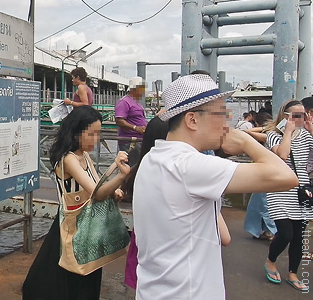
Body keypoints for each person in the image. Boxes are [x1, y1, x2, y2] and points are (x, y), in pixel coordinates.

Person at [133, 74, 298, 300]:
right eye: (221, 113)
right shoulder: (190, 165)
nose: (227, 123)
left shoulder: (154, 158)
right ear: (192, 120)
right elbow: (286, 176)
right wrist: (244, 141)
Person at [23, 106, 130, 300]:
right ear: (76, 133)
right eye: (91, 134)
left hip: (86, 225)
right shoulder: (68, 159)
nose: (96, 139)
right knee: (70, 278)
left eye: (98, 133)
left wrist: (113, 188)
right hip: (73, 225)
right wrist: (121, 176)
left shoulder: (84, 156)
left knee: (84, 272)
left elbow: (98, 186)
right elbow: (97, 194)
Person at [123, 117, 231, 289]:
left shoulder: (142, 170)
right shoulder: (186, 175)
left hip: (145, 251)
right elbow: (225, 237)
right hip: (179, 267)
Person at [262, 100, 313, 291]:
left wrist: (310, 128)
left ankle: (293, 273)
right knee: (285, 233)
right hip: (279, 189)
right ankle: (270, 260)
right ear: (286, 116)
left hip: (300, 190)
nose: (301, 118)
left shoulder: (307, 136)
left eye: (304, 114)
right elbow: (283, 155)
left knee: (299, 237)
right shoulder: (273, 135)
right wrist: (289, 132)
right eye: (297, 115)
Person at [243, 111, 278, 241]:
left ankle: (271, 231)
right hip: (271, 173)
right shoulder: (278, 135)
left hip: (267, 174)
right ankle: (267, 231)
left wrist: (265, 128)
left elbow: (248, 133)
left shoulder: (270, 136)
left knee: (263, 204)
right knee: (262, 204)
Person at [115, 76, 147, 153]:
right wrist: (135, 128)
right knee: (130, 163)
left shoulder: (136, 103)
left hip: (138, 141)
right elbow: (119, 121)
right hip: (129, 142)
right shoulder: (124, 102)